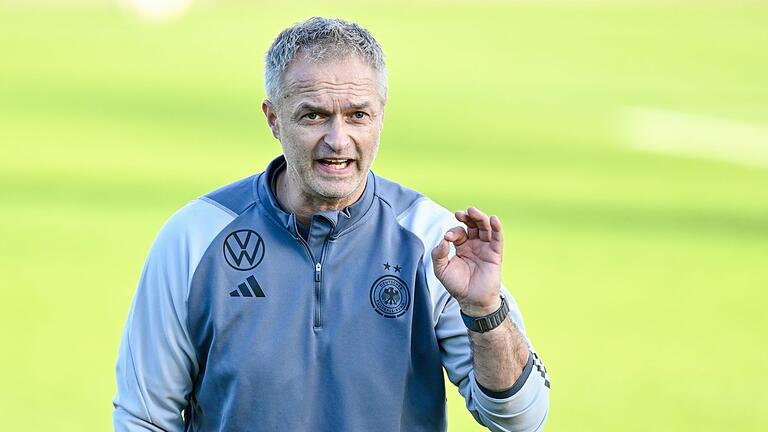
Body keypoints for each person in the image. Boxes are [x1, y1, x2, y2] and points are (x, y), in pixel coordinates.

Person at [113, 17, 550, 432]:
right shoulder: (194, 238)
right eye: (314, 115)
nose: (338, 140)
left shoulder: (431, 240)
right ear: (273, 119)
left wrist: (484, 311)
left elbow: (520, 419)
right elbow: (144, 417)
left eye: (358, 115)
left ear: (382, 115)